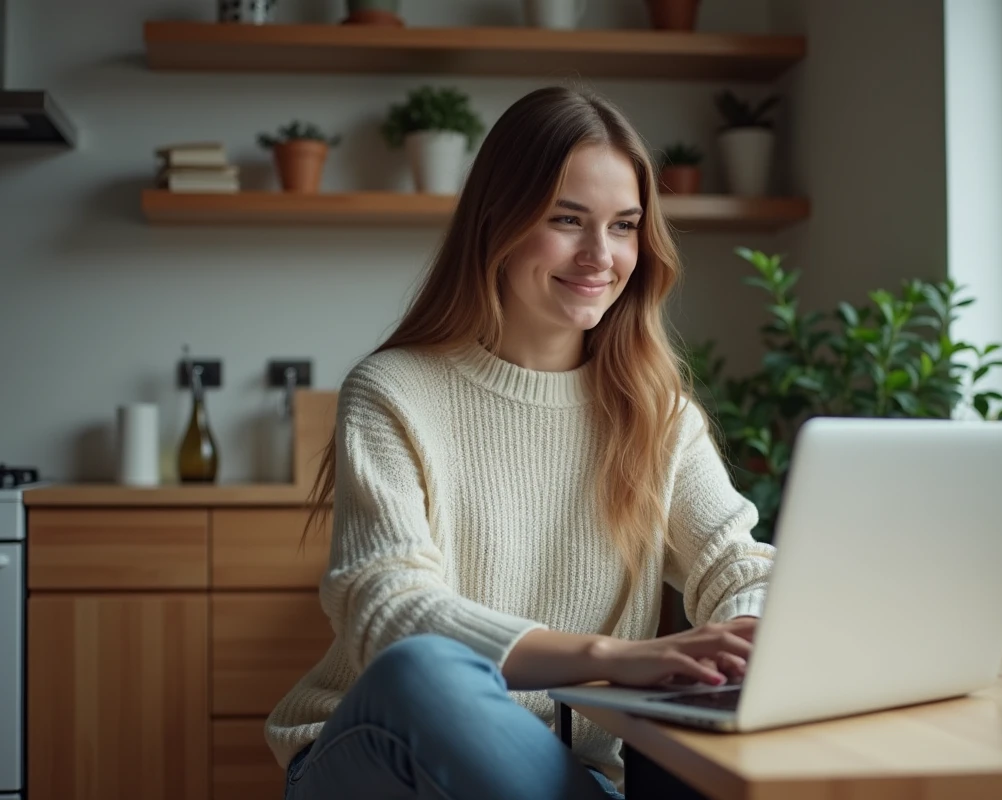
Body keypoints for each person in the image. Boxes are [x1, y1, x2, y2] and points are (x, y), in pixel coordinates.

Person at [265, 85, 777, 800]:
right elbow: (390, 612)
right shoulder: (393, 390)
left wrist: (741, 636)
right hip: (375, 758)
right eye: (568, 219)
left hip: (565, 775)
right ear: (498, 223)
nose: (601, 254)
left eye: (624, 225)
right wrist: (612, 657)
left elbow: (737, 564)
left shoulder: (653, 411)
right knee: (422, 670)